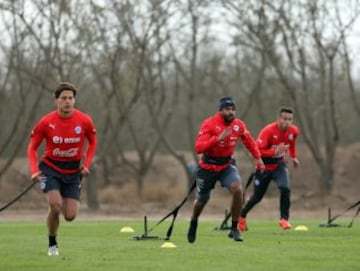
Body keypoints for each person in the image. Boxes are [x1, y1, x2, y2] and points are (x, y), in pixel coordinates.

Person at [27, 82, 97, 256]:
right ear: (56, 100)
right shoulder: (46, 122)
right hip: (50, 168)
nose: (67, 101)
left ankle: (56, 217)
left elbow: (93, 142)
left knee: (70, 215)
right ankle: (52, 243)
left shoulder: (85, 120)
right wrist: (34, 170)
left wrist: (86, 165)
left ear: (75, 100)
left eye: (71, 98)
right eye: (64, 98)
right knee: (55, 205)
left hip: (73, 171)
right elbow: (32, 147)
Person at [187, 96, 264, 243]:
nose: (231, 112)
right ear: (220, 110)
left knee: (237, 189)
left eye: (233, 109)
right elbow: (198, 148)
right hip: (208, 167)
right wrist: (217, 138)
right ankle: (194, 221)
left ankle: (234, 228)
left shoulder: (238, 125)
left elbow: (249, 141)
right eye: (227, 109)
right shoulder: (209, 124)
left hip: (226, 166)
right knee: (202, 200)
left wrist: (258, 157)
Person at [238, 107, 300, 232]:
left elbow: (291, 144)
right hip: (263, 167)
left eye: (290, 119)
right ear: (278, 119)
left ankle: (284, 219)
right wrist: (274, 152)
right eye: (285, 119)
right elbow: (256, 151)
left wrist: (293, 157)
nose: (287, 122)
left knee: (285, 188)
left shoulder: (293, 131)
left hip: (279, 166)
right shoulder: (268, 131)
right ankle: (242, 216)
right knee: (257, 197)